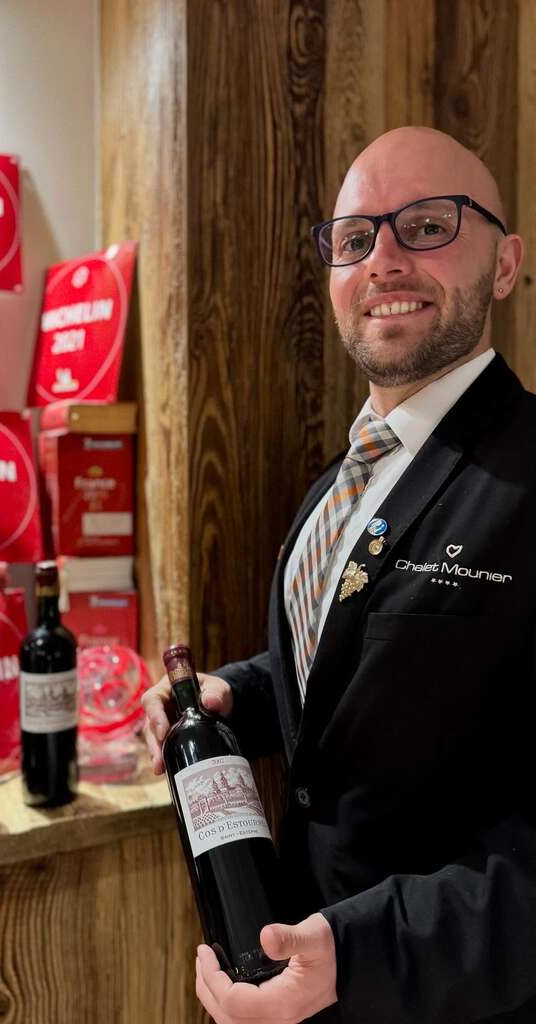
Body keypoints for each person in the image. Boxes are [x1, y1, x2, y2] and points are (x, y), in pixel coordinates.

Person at [142, 125, 536, 1023]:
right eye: (356, 239)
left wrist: (364, 951)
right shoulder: (344, 481)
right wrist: (238, 692)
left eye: (428, 225)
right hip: (306, 977)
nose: (384, 260)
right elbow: (366, 665)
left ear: (505, 264)